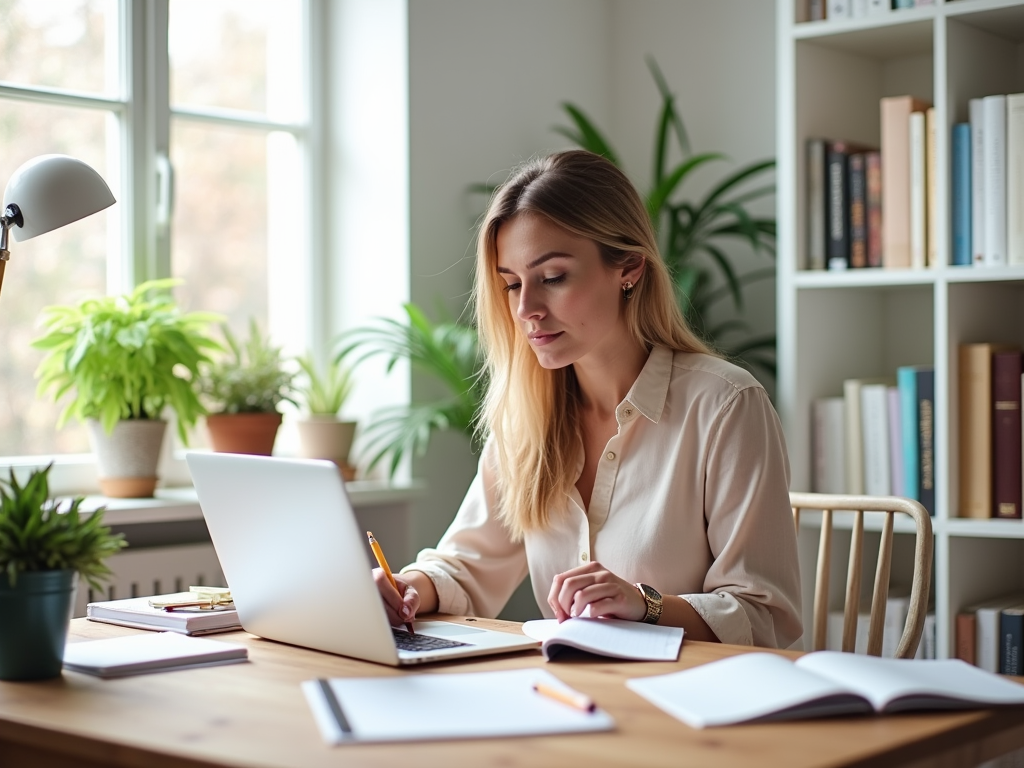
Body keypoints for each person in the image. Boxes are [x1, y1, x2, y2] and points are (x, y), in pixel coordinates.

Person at [373, 149, 801, 648]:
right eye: (511, 284)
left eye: (552, 277)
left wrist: (643, 604)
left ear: (629, 268)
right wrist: (406, 588)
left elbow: (764, 615)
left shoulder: (725, 405)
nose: (527, 309)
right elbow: (468, 566)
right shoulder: (525, 418)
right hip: (574, 697)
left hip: (693, 708)